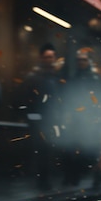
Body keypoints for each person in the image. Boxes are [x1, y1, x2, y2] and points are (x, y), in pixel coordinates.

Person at [17, 43, 64, 191]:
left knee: (48, 151)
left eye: (51, 57)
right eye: (46, 57)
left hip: (52, 120)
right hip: (37, 120)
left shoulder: (56, 77)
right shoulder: (34, 77)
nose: (49, 60)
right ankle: (39, 181)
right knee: (39, 150)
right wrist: (32, 116)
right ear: (41, 58)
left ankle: (45, 179)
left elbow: (60, 98)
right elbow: (25, 98)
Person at [61, 49, 101, 187]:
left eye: (84, 60)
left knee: (93, 150)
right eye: (79, 60)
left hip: (92, 119)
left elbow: (100, 98)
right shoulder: (74, 77)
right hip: (77, 119)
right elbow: (68, 98)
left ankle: (97, 177)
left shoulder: (95, 78)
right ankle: (74, 177)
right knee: (74, 149)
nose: (81, 62)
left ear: (88, 61)